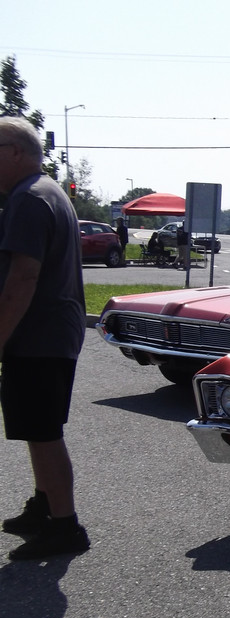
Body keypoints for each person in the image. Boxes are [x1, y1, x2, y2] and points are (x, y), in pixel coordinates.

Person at [0, 116, 90, 560]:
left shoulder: (28, 200)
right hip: (53, 332)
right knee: (37, 429)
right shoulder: (46, 191)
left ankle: (64, 526)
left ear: (15, 151)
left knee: (43, 431)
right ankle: (43, 507)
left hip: (38, 336)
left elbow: (23, 276)